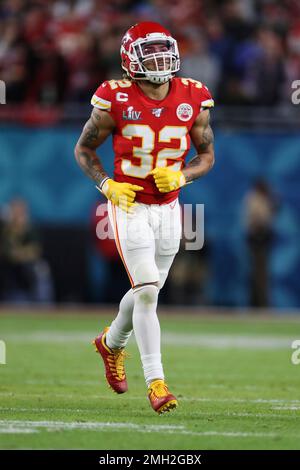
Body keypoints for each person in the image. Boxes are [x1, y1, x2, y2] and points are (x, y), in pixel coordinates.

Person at [74, 21, 215, 414]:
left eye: (162, 50)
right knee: (148, 290)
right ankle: (157, 383)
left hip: (170, 207)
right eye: (149, 52)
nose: (159, 59)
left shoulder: (194, 95)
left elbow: (206, 156)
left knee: (144, 292)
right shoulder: (113, 96)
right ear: (130, 59)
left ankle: (110, 343)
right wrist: (107, 186)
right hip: (128, 204)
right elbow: (84, 150)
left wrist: (182, 176)